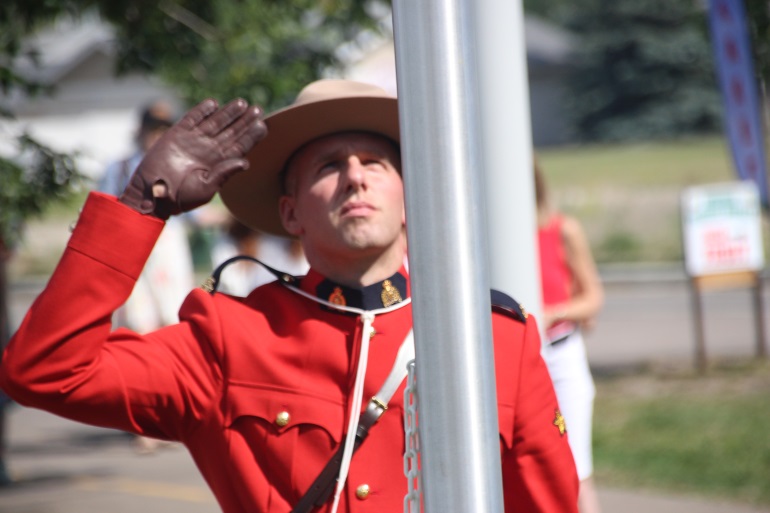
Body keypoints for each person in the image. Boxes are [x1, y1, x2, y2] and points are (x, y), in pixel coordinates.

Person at [0, 80, 579, 512]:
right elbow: (43, 371)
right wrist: (140, 209)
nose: (354, 177)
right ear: (290, 212)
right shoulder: (227, 342)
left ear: (411, 199)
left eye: (374, 163)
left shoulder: (495, 335)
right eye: (329, 166)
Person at [535, 159, 604, 513]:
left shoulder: (562, 229)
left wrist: (555, 311)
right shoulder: (486, 234)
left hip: (560, 352)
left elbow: (592, 297)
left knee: (577, 469)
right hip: (517, 358)